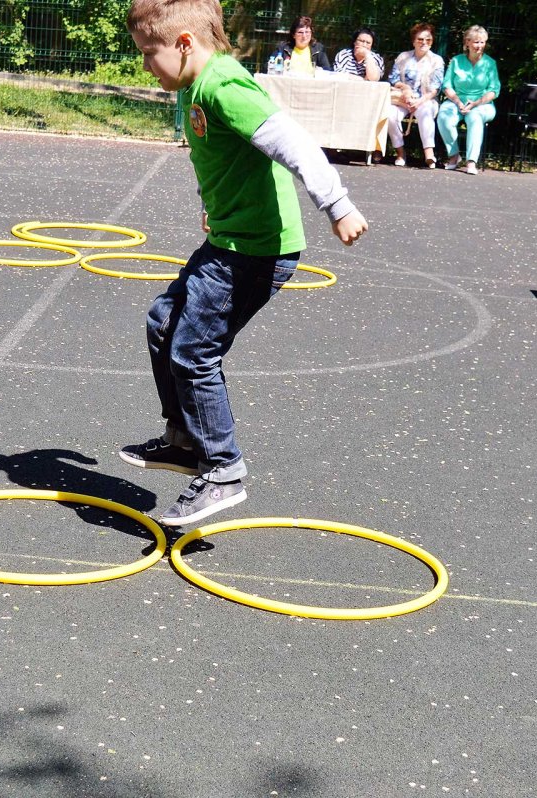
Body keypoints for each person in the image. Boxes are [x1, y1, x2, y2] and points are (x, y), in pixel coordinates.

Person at [122, 0, 368, 526]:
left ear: (185, 43)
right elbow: (217, 157)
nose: (145, 66)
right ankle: (186, 438)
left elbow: (295, 143)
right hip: (232, 239)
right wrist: (212, 206)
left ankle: (223, 469)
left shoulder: (223, 87)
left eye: (149, 54)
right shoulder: (193, 86)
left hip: (257, 250)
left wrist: (338, 205)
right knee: (162, 323)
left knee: (193, 351)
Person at [437, 25, 500, 176]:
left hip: (482, 104)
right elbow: (447, 86)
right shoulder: (456, 61)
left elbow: (494, 90)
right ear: (467, 43)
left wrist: (476, 103)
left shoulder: (490, 63)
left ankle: (471, 162)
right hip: (456, 100)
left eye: (482, 42)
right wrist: (458, 102)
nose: (479, 46)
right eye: (476, 42)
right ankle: (454, 156)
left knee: (474, 117)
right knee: (444, 116)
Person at [386, 22, 444, 168]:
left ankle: (429, 154)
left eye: (428, 40)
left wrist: (419, 102)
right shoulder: (403, 57)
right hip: (402, 98)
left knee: (425, 111)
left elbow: (435, 89)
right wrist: (405, 88)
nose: (424, 42)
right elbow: (393, 78)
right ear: (413, 41)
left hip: (425, 99)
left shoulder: (437, 60)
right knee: (390, 114)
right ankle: (400, 152)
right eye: (420, 39)